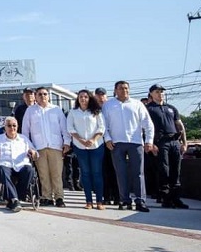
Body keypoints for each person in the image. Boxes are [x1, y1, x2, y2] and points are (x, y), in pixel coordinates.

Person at [102, 81, 155, 212]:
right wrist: (107, 139)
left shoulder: (137, 104)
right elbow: (103, 124)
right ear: (115, 90)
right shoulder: (108, 105)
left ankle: (140, 201)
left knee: (138, 173)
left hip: (135, 142)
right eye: (121, 88)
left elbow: (148, 124)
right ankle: (124, 200)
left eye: (126, 88)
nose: (124, 90)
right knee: (120, 173)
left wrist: (149, 141)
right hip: (116, 143)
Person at [22, 87, 71, 207]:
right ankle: (47, 197)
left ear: (48, 96)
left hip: (56, 146)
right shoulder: (30, 111)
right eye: (40, 94)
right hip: (38, 147)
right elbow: (25, 131)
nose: (43, 96)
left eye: (45, 94)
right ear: (36, 96)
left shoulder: (56, 110)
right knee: (43, 174)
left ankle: (59, 197)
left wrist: (67, 142)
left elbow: (64, 128)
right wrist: (29, 147)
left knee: (57, 174)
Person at [146, 84, 189, 209]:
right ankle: (166, 199)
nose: (160, 94)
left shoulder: (171, 108)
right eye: (157, 92)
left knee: (176, 171)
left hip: (174, 141)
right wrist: (151, 143)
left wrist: (184, 143)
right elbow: (143, 128)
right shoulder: (148, 109)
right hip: (160, 142)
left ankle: (176, 198)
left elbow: (180, 126)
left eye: (162, 92)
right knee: (164, 170)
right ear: (151, 94)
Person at [0, 117, 38, 212]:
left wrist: (33, 153)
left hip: (21, 165)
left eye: (14, 125)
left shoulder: (24, 139)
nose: (12, 128)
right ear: (5, 127)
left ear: (17, 127)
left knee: (30, 170)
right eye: (9, 126)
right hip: (5, 165)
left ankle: (13, 199)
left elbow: (36, 155)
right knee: (1, 169)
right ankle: (14, 199)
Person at [67, 90, 106, 210]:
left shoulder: (96, 111)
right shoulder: (73, 112)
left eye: (85, 97)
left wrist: (94, 139)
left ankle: (99, 201)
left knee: (97, 173)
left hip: (96, 146)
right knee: (85, 173)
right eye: (80, 97)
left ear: (89, 98)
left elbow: (102, 127)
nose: (83, 99)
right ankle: (88, 201)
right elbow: (70, 128)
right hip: (80, 147)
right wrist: (81, 140)